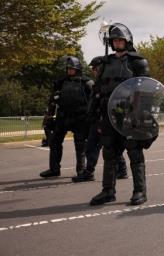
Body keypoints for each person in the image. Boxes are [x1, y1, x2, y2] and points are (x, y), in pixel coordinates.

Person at [89, 24, 155, 206]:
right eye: (115, 40)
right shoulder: (105, 63)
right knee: (109, 153)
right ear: (111, 43)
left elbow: (146, 90)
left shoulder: (138, 62)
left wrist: (143, 117)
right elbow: (97, 89)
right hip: (109, 115)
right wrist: (93, 112)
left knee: (134, 152)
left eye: (120, 40)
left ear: (127, 41)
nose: (118, 42)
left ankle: (140, 191)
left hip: (130, 115)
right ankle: (108, 191)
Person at [71, 56, 128, 183]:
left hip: (105, 120)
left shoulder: (109, 83)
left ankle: (118, 170)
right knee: (97, 146)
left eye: (95, 68)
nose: (93, 70)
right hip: (96, 120)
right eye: (93, 68)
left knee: (107, 146)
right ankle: (92, 172)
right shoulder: (98, 83)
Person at [39, 57, 93, 178]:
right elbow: (52, 100)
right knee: (54, 142)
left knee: (80, 144)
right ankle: (54, 169)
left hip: (80, 118)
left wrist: (92, 118)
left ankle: (81, 170)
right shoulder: (60, 82)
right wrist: (49, 116)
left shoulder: (87, 83)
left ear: (78, 69)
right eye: (68, 68)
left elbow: (94, 101)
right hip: (63, 117)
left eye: (72, 68)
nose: (70, 71)